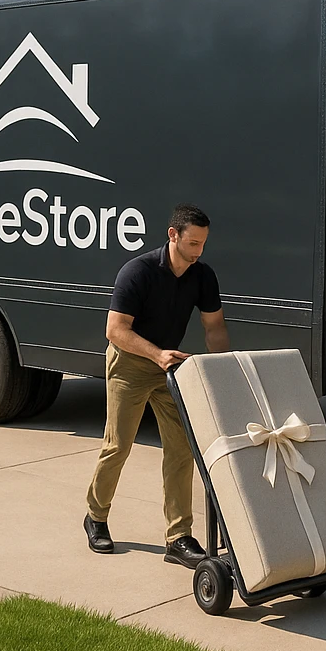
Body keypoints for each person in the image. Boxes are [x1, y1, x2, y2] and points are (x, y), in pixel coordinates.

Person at [84, 204, 229, 567]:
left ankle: (178, 538)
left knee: (181, 448)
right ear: (173, 235)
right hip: (130, 362)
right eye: (192, 243)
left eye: (203, 245)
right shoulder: (138, 271)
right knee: (118, 445)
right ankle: (96, 517)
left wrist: (222, 368)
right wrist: (155, 354)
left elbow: (214, 328)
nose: (198, 252)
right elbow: (115, 330)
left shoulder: (203, 276)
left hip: (170, 366)